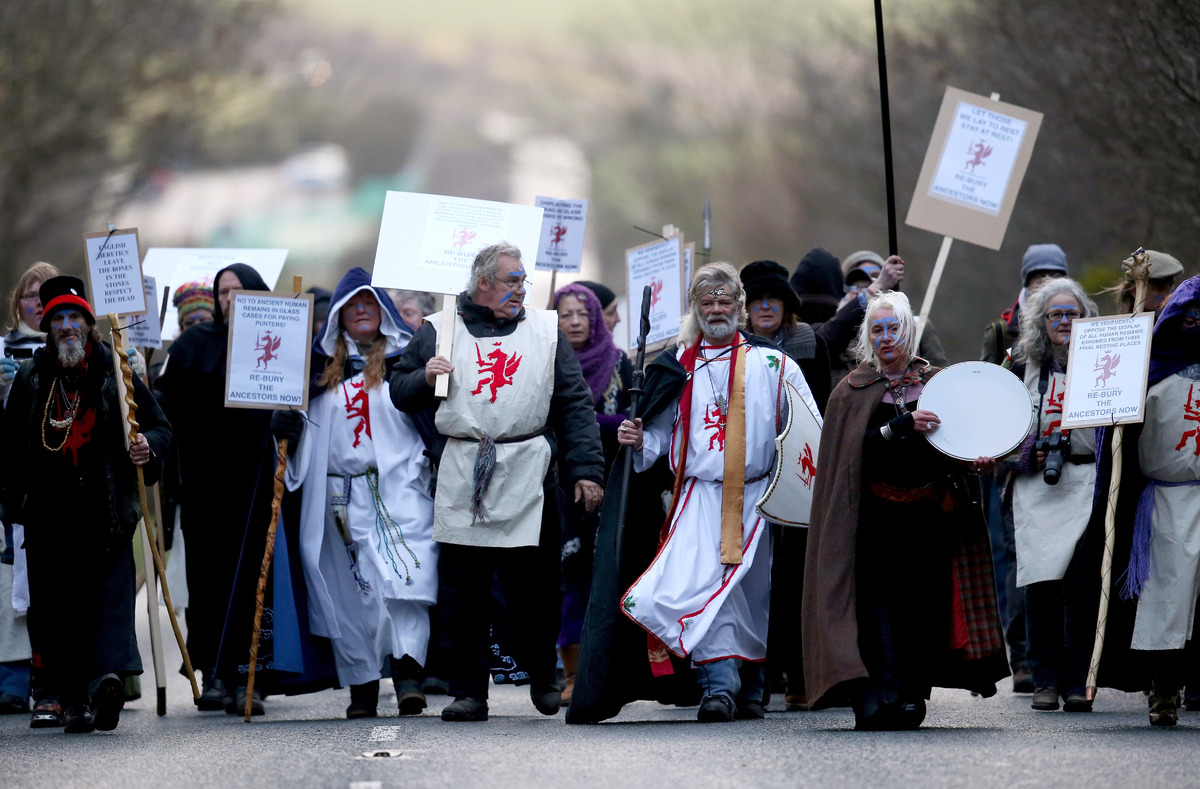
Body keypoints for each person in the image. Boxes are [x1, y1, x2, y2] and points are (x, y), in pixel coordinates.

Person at [391, 241, 605, 722]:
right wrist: (424, 377)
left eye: (523, 281)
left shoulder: (545, 332)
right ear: (483, 282)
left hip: (529, 467)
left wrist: (587, 471)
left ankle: (542, 675)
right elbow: (399, 393)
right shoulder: (437, 331)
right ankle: (469, 690)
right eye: (512, 281)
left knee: (536, 586)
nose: (520, 290)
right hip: (464, 468)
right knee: (464, 591)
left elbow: (574, 404)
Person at [615, 262, 820, 722]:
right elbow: (662, 437)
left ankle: (751, 691)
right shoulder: (676, 368)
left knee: (751, 594)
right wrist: (638, 440)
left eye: (725, 301)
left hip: (759, 499)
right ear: (695, 309)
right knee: (709, 590)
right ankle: (719, 690)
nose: (716, 309)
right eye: (707, 302)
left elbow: (810, 429)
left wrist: (798, 489)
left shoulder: (774, 363)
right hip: (698, 497)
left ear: (740, 307)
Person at [802, 290, 1007, 730]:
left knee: (923, 610)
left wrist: (978, 460)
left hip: (929, 519)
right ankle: (877, 697)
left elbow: (957, 445)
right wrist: (897, 427)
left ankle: (912, 695)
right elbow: (849, 456)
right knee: (877, 613)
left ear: (908, 331)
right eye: (877, 329)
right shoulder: (852, 391)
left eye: (893, 327)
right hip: (873, 521)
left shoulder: (940, 384)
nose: (886, 337)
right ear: (867, 337)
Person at [0, 276, 171, 733]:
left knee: (108, 605)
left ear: (89, 325)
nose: (67, 326)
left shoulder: (117, 370)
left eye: (75, 317)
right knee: (57, 613)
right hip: (48, 521)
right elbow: (10, 449)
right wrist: (11, 506)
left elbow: (159, 429)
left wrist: (146, 449)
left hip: (107, 515)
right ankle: (72, 701)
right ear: (48, 327)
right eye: (58, 318)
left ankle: (105, 684)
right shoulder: (32, 377)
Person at [272, 268, 438, 719]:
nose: (362, 311)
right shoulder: (316, 373)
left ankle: (408, 677)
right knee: (350, 593)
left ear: (382, 311)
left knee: (407, 581)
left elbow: (431, 423)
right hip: (338, 499)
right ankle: (362, 686)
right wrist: (285, 428)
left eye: (369, 304)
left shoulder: (406, 362)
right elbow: (299, 437)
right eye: (352, 307)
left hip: (399, 490)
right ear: (339, 318)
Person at [153, 262, 276, 714]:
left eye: (238, 290)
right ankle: (215, 674)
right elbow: (163, 399)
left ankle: (251, 676)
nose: (229, 299)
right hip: (205, 483)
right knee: (208, 580)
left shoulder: (275, 339)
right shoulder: (193, 344)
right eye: (222, 292)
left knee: (252, 575)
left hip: (258, 479)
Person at [978, 243, 1071, 695]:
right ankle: (1026, 659)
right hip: (1019, 475)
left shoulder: (1088, 345)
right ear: (1025, 281)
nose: (1046, 284)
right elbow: (990, 405)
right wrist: (1013, 459)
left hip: (1076, 475)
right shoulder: (1006, 340)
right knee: (1021, 565)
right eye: (1039, 276)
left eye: (1055, 274)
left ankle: (1069, 666)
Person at [1111, 276, 1200, 725]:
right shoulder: (1148, 379)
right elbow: (1119, 441)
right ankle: (1163, 689)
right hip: (1166, 501)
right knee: (1166, 598)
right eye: (1192, 317)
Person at [1007, 277, 1099, 713]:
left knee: (1082, 587)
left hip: (1085, 482)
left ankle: (1078, 681)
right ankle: (1044, 678)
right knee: (1041, 585)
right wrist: (1031, 452)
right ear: (1041, 322)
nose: (1064, 321)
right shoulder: (1019, 366)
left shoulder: (1106, 364)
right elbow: (998, 430)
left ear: (1084, 318)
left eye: (1072, 313)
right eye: (1055, 314)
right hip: (1036, 487)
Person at [552, 282, 631, 707]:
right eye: (565, 314)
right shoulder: (542, 361)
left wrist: (584, 419)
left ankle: (604, 671)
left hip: (611, 482)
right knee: (567, 577)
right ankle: (569, 672)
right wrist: (599, 420)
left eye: (583, 313)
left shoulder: (620, 363)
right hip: (556, 483)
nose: (576, 321)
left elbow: (632, 417)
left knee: (606, 575)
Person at [1100, 249, 1184, 318]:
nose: (1170, 294)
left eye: (1171, 285)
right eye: (1159, 288)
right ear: (1134, 291)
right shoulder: (1123, 330)